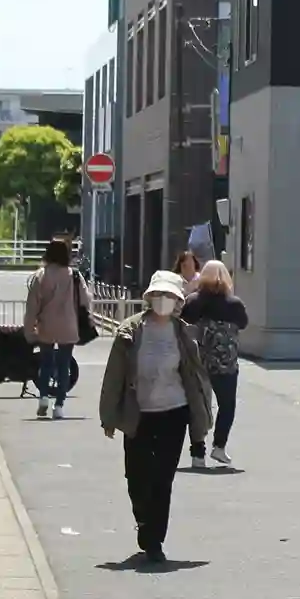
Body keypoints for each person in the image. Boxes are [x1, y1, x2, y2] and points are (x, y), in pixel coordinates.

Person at [99, 271, 214, 564]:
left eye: (169, 296)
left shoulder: (184, 334)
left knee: (162, 478)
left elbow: (197, 378)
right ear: (149, 297)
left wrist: (201, 421)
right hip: (138, 413)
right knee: (136, 477)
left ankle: (154, 541)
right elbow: (114, 376)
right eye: (159, 295)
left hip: (174, 412)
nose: (163, 301)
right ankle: (143, 520)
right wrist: (109, 416)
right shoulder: (130, 330)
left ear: (178, 301)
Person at [181, 260, 248, 467]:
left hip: (198, 360)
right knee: (227, 405)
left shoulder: (194, 301)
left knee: (197, 405)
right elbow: (243, 323)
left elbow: (182, 322)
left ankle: (197, 453)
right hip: (225, 361)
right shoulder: (234, 303)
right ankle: (219, 446)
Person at [23, 236, 92, 419]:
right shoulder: (74, 275)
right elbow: (85, 301)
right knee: (64, 366)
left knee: (45, 364)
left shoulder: (41, 276)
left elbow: (32, 306)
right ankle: (59, 405)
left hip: (46, 325)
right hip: (68, 325)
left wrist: (29, 329)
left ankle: (43, 398)